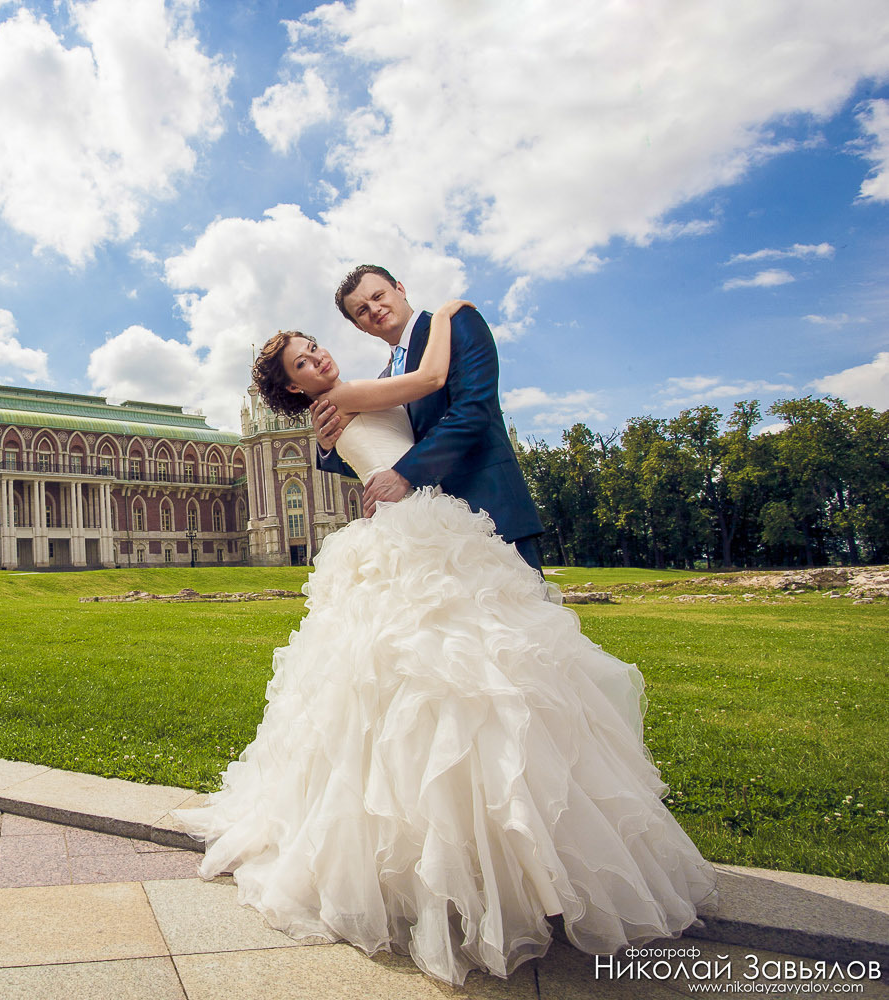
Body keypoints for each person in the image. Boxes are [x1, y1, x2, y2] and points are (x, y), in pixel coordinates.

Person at [173, 313, 716, 986]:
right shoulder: (343, 401)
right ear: (293, 390)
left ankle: (502, 858)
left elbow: (413, 422)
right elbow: (432, 378)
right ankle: (468, 864)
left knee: (471, 679)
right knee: (442, 682)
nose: (319, 361)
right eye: (303, 365)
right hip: (418, 537)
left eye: (315, 349)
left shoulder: (345, 403)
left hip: (427, 526)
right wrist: (449, 310)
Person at [313, 265, 545, 572]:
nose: (375, 309)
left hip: (490, 508)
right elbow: (386, 453)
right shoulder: (385, 378)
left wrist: (403, 475)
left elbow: (473, 411)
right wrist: (327, 445)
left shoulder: (455, 322)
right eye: (362, 310)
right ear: (360, 327)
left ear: (400, 288)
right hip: (431, 535)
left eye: (379, 295)